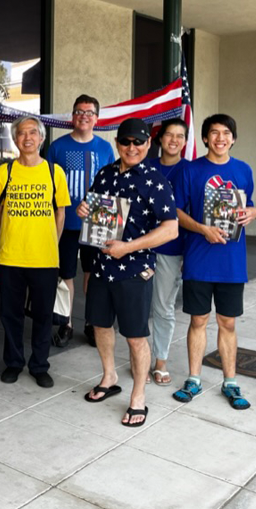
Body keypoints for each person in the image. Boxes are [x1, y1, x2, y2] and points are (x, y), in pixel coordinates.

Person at [77, 117, 178, 426]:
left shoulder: (156, 180)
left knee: (135, 337)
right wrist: (85, 209)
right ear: (117, 143)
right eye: (125, 141)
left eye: (138, 142)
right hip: (101, 265)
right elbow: (95, 213)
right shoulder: (105, 173)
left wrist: (128, 247)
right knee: (100, 326)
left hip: (134, 269)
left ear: (149, 144)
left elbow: (171, 229)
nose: (131, 147)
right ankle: (109, 378)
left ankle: (138, 396)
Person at [172, 114, 256, 410]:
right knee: (198, 319)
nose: (220, 138)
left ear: (233, 138)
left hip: (232, 261)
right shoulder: (190, 170)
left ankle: (230, 381)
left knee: (228, 322)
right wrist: (202, 228)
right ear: (206, 138)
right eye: (214, 133)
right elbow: (177, 212)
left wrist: (253, 213)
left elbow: (248, 206)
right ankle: (194, 378)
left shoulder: (243, 170)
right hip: (199, 257)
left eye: (226, 133)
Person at [0, 116, 70, 388]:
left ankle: (39, 365)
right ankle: (13, 362)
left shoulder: (54, 172)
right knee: (10, 314)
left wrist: (52, 243)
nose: (27, 137)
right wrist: (3, 243)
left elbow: (60, 212)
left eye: (33, 132)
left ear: (41, 138)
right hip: (10, 257)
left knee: (44, 315)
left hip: (44, 258)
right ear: (15, 140)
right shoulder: (5, 173)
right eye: (22, 133)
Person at [46, 94, 115, 347]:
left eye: (89, 112)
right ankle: (66, 323)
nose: (83, 116)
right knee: (66, 275)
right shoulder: (58, 147)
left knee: (91, 274)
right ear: (72, 116)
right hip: (65, 223)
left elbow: (110, 187)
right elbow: (49, 187)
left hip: (95, 225)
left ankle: (90, 322)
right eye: (79, 112)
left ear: (96, 118)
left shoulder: (105, 149)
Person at [149, 118, 189, 385]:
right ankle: (140, 354)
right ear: (159, 139)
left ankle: (160, 360)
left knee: (163, 306)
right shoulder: (146, 166)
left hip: (171, 248)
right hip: (139, 246)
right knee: (138, 306)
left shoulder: (190, 170)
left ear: (185, 142)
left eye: (180, 136)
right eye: (169, 135)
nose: (174, 140)